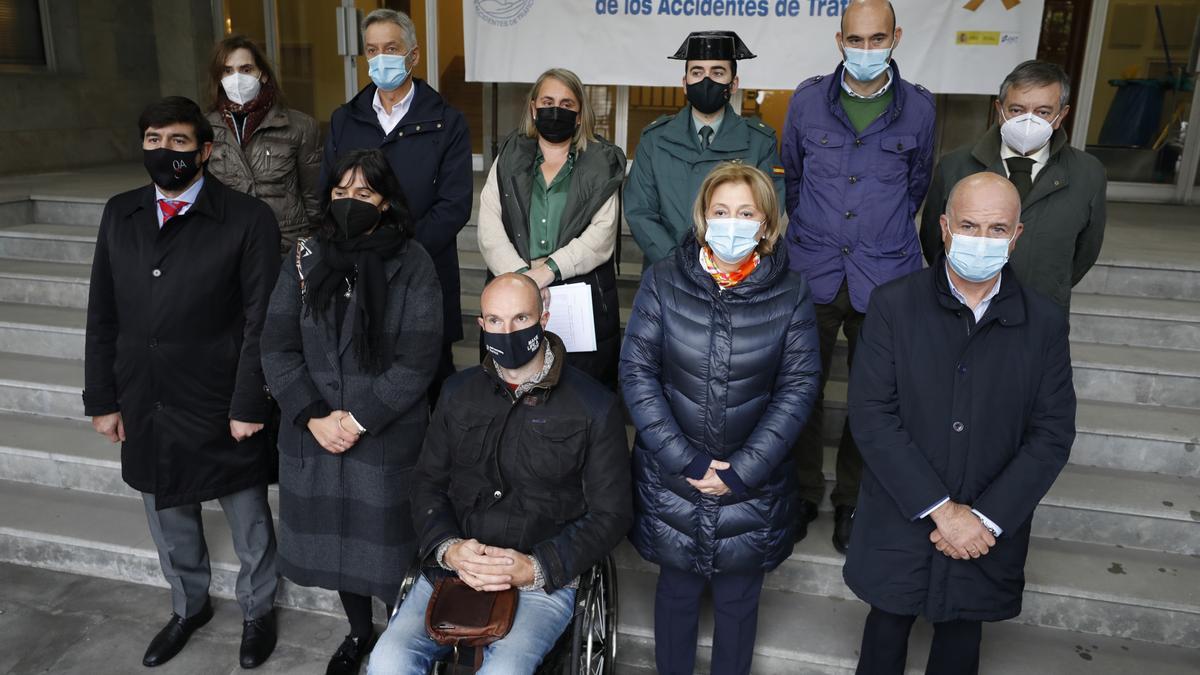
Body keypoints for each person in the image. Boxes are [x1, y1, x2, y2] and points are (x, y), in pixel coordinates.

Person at [844, 173, 1076, 675]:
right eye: (969, 225)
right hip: (901, 514)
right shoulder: (892, 305)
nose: (982, 239)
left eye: (997, 229)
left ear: (1016, 236)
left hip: (986, 527)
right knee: (884, 633)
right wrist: (942, 511)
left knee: (960, 641)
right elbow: (871, 416)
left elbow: (1052, 433)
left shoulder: (1045, 322)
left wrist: (984, 518)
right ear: (944, 228)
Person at [82, 96, 281, 669]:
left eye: (177, 141)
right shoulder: (120, 212)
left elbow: (261, 321)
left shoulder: (246, 219)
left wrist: (250, 402)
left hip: (221, 398)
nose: (164, 151)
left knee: (248, 523)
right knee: (167, 516)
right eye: (153, 139)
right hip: (146, 395)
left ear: (206, 150)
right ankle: (188, 605)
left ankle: (258, 610)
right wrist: (103, 398)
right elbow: (103, 313)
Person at [368, 273, 633, 674]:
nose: (506, 331)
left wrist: (537, 566)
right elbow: (427, 483)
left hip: (543, 575)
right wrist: (448, 547)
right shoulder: (457, 394)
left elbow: (612, 513)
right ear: (481, 324)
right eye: (494, 321)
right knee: (387, 661)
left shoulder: (594, 406)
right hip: (457, 565)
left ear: (544, 318)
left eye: (519, 319)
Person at [621, 162, 821, 675]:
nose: (732, 223)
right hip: (674, 479)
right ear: (703, 219)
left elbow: (797, 389)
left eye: (746, 212)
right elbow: (638, 373)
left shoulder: (792, 291)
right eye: (720, 211)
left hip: (751, 486)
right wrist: (687, 461)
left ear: (767, 223)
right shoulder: (663, 281)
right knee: (676, 598)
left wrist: (742, 471)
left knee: (737, 604)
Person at [260, 148, 443, 675]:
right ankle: (359, 634)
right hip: (314, 434)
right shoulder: (304, 257)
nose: (350, 202)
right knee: (340, 553)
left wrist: (357, 418)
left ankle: (404, 644)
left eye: (364, 194)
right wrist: (315, 415)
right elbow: (276, 348)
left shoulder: (413, 262)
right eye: (341, 192)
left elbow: (417, 360)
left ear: (386, 202)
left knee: (390, 555)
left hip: (382, 434)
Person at [780, 0, 936, 553]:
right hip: (813, 269)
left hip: (885, 274)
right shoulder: (806, 102)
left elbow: (917, 187)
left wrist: (878, 232)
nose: (866, 50)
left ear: (895, 37)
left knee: (874, 398)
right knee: (801, 391)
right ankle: (802, 492)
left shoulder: (919, 109)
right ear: (839, 39)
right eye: (856, 39)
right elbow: (792, 181)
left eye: (877, 39)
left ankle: (853, 499)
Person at [321, 8, 472, 406]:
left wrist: (401, 251)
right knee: (363, 378)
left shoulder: (447, 122)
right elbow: (328, 194)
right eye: (372, 50)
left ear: (414, 55)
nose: (380, 58)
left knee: (429, 379)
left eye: (391, 48)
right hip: (354, 272)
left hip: (423, 271)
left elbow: (454, 206)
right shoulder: (344, 120)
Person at [476, 67, 626, 387]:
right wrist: (523, 277)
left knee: (580, 390)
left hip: (579, 296)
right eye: (547, 101)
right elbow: (489, 227)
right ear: (533, 108)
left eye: (567, 104)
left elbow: (601, 234)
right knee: (512, 387)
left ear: (579, 114)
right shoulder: (510, 155)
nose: (555, 110)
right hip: (514, 297)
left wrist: (546, 272)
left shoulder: (602, 162)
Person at [920, 59, 1107, 312]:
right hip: (961, 310)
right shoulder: (955, 166)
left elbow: (1085, 253)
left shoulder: (1087, 173)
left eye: (1043, 112)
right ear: (1000, 109)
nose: (1028, 121)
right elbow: (934, 241)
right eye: (1017, 110)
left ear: (1061, 115)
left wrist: (1049, 286)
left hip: (1040, 314)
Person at [625, 30, 784, 268]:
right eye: (697, 72)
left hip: (736, 275)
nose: (706, 80)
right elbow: (640, 211)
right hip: (667, 273)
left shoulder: (760, 141)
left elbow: (769, 209)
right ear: (685, 83)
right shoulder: (655, 139)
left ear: (734, 84)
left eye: (717, 72)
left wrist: (723, 263)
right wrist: (678, 264)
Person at [204, 34, 322, 254]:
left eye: (246, 69)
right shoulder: (204, 128)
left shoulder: (300, 126)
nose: (236, 78)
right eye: (228, 70)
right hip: (230, 246)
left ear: (263, 75)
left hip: (286, 246)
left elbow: (314, 196)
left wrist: (311, 245)